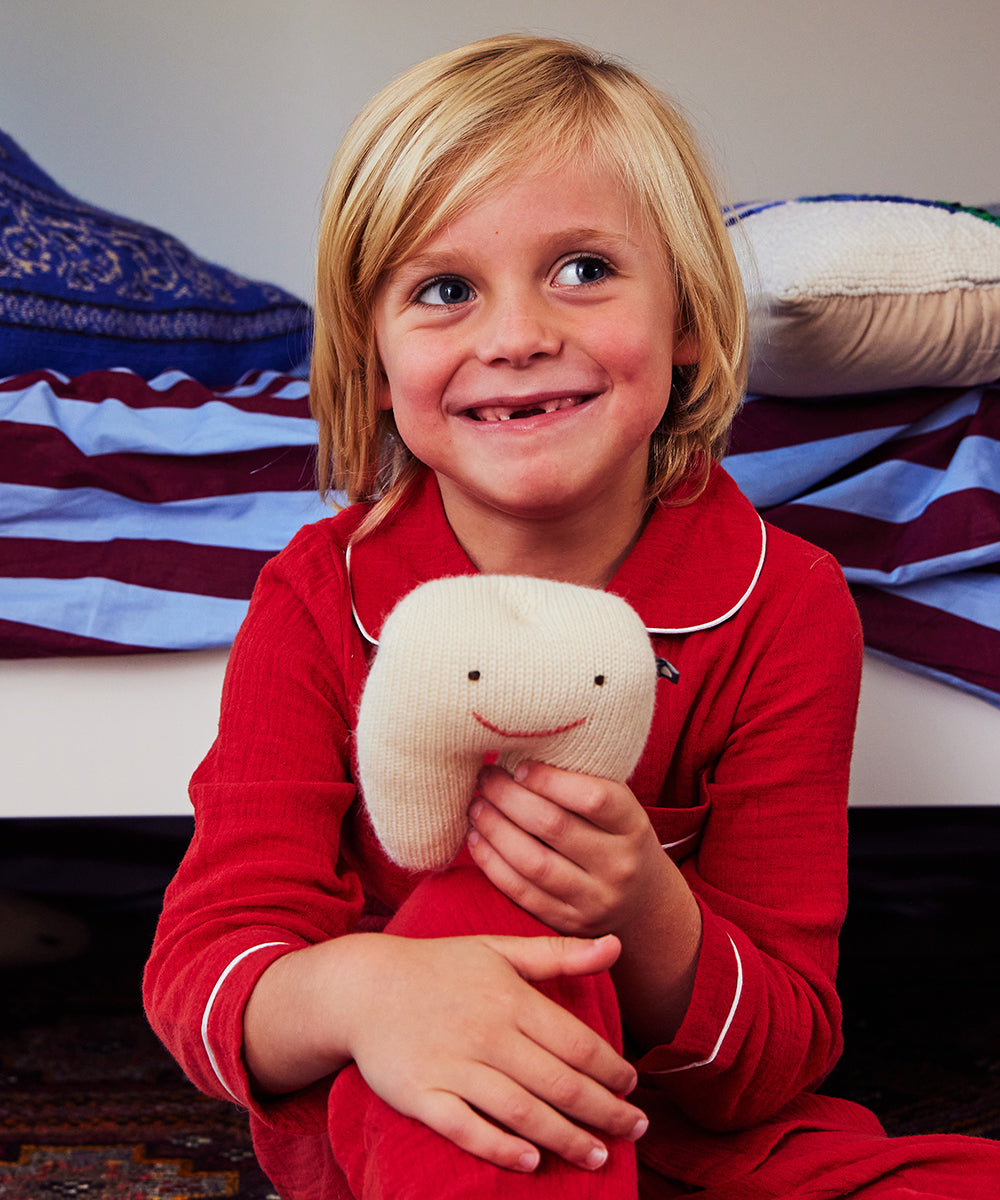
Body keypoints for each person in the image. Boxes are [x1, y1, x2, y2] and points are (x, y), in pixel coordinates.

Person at [144, 34, 1000, 1200]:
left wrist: (644, 904)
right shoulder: (316, 596)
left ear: (688, 320)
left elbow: (784, 1044)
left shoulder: (783, 603)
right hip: (427, 1109)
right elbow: (204, 970)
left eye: (583, 269)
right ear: (375, 358)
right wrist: (367, 992)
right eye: (444, 290)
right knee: (463, 917)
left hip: (691, 1130)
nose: (515, 335)